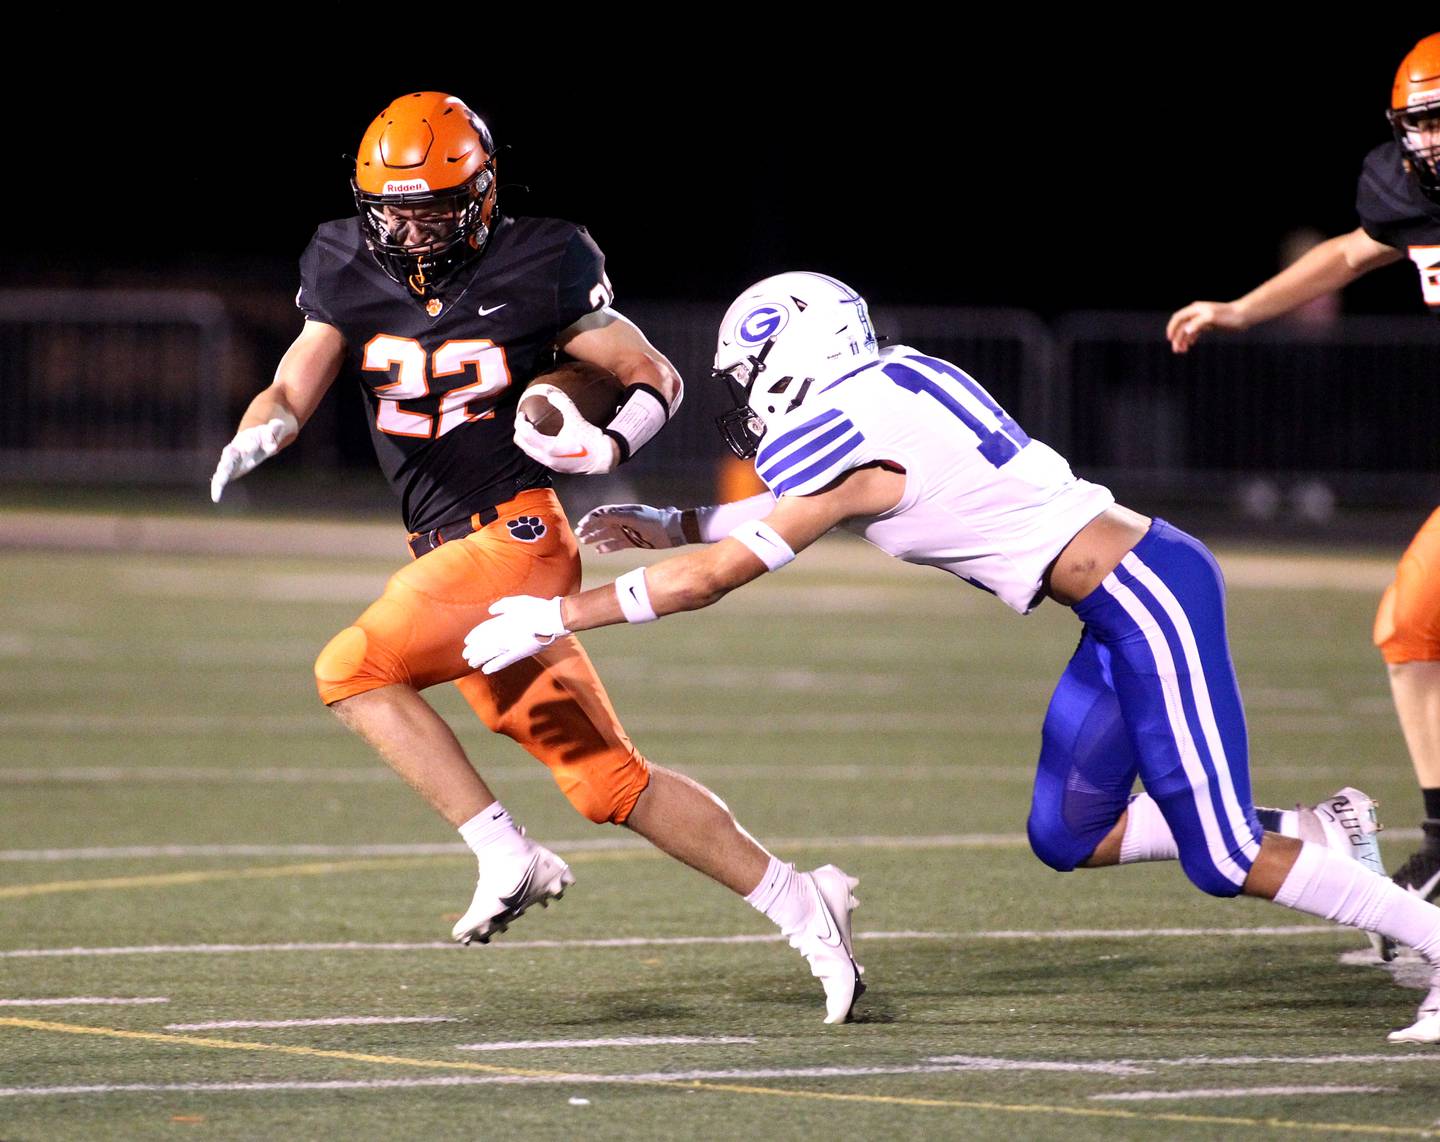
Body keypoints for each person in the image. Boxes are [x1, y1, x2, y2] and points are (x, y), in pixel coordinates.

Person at [465, 270, 1440, 1043]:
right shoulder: (893, 380)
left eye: (749, 377)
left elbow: (717, 576)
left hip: (1149, 597)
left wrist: (558, 614)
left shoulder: (843, 426)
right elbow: (817, 503)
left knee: (1222, 854)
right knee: (1068, 829)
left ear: (790, 358)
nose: (747, 402)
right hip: (1120, 605)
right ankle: (1321, 827)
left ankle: (1429, 934)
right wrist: (672, 519)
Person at [208, 93, 863, 1024]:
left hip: (513, 537)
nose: (406, 226)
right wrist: (262, 428)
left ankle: (506, 852)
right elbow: (291, 381)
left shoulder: (543, 257)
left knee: (351, 668)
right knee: (610, 784)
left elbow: (655, 377)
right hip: (450, 550)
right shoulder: (341, 263)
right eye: (390, 207)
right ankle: (806, 903)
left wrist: (612, 448)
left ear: (478, 196)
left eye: (430, 206)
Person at [1167, 33, 1440, 909]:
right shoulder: (1409, 190)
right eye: (1418, 123)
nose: (1426, 142)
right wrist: (1242, 309)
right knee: (1411, 631)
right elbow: (1355, 251)